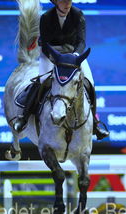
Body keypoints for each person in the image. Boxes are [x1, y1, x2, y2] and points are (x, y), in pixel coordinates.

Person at [13, 0, 109, 140]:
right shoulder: (46, 17)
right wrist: (56, 57)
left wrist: (74, 56)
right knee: (42, 81)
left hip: (72, 55)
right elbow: (45, 45)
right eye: (64, 1)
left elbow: (81, 42)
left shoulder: (78, 14)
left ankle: (95, 122)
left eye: (69, 1)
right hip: (51, 54)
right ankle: (24, 117)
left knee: (89, 83)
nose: (67, 4)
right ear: (56, 2)